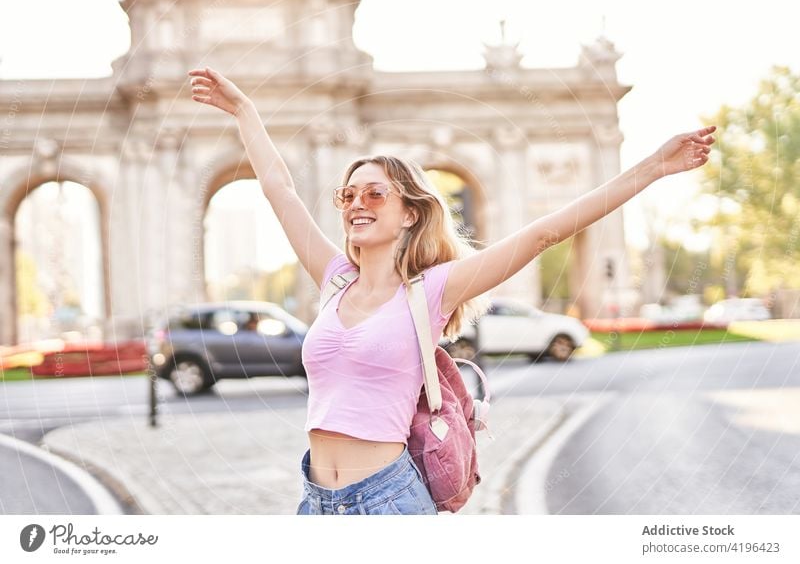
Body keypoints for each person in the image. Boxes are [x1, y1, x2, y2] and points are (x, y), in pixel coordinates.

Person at [188, 66, 715, 515]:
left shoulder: (432, 289)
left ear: (410, 212)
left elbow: (543, 233)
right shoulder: (334, 279)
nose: (356, 204)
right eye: (348, 195)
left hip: (385, 502)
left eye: (375, 193)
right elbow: (279, 188)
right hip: (313, 502)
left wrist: (651, 169)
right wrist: (244, 111)